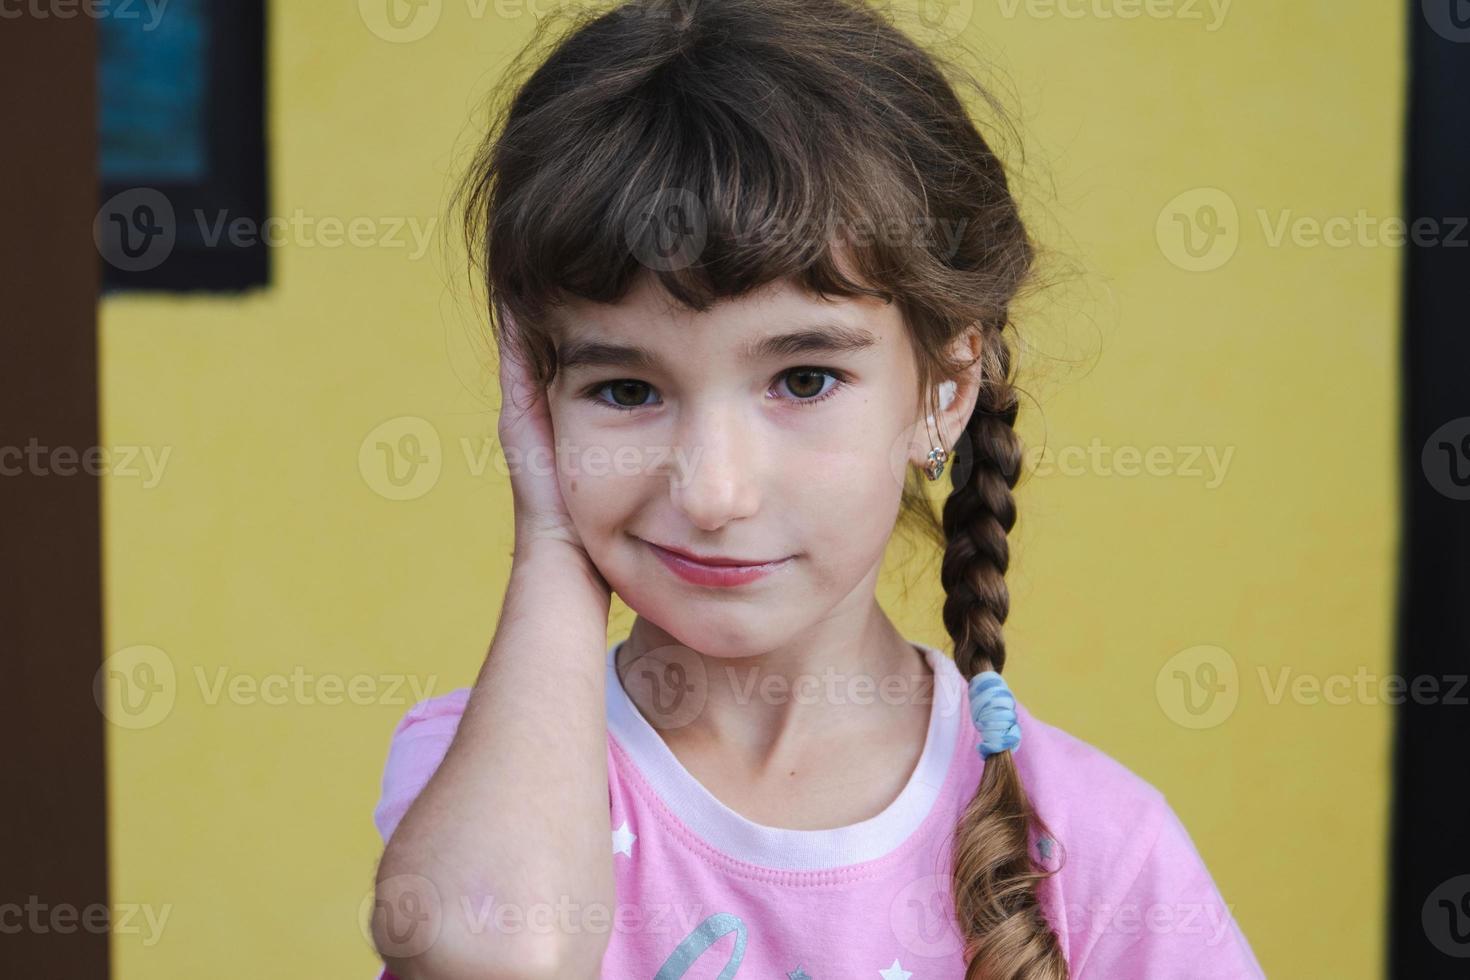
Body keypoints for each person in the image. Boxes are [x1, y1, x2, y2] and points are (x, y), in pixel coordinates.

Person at [368, 0, 1267, 977]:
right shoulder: (497, 760)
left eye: (802, 379)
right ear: (539, 403)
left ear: (945, 389)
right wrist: (548, 540)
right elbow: (491, 947)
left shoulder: (1092, 847)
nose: (711, 490)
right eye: (624, 387)